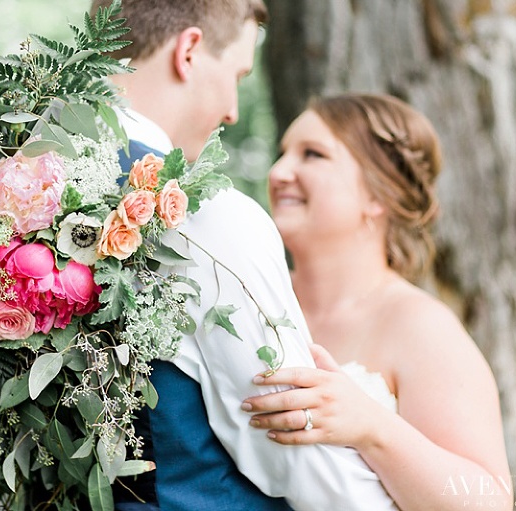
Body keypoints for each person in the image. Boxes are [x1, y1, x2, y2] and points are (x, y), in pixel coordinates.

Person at [91, 2, 398, 510]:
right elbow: (296, 453)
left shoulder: (11, 189)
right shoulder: (207, 214)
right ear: (189, 51)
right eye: (237, 74)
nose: (232, 110)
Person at [241, 94, 514, 510]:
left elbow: (488, 501)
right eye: (282, 154)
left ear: (378, 194)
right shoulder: (250, 294)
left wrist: (371, 426)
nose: (278, 172)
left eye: (312, 154)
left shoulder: (422, 327)